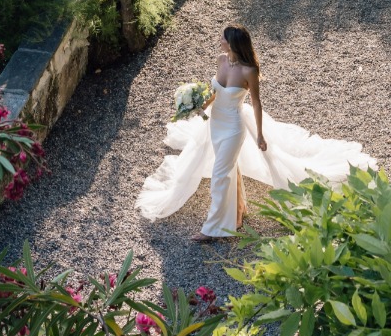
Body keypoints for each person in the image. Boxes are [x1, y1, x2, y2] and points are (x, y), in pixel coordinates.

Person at [136, 24, 377, 243]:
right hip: (215, 123)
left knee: (220, 174)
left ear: (232, 43)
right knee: (230, 168)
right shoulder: (221, 60)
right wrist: (199, 105)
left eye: (223, 37)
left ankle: (213, 228)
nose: (219, 39)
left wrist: (260, 135)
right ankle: (239, 210)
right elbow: (214, 91)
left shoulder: (249, 71)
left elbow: (257, 103)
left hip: (232, 127)